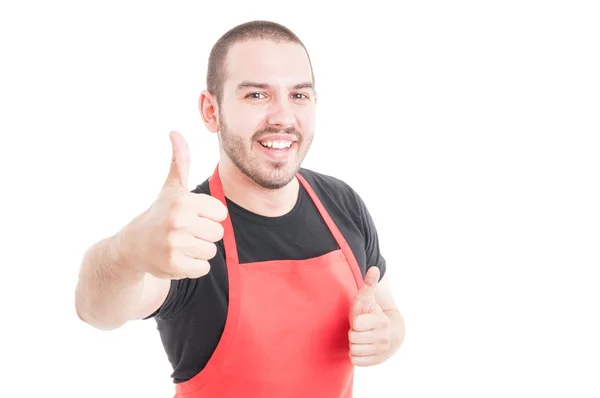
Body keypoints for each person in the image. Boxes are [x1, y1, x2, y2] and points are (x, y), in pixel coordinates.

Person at [75, 20, 405, 397]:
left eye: (299, 95)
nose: (283, 117)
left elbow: (388, 313)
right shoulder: (188, 232)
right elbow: (94, 310)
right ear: (211, 111)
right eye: (256, 96)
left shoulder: (342, 202)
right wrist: (126, 252)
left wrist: (385, 337)